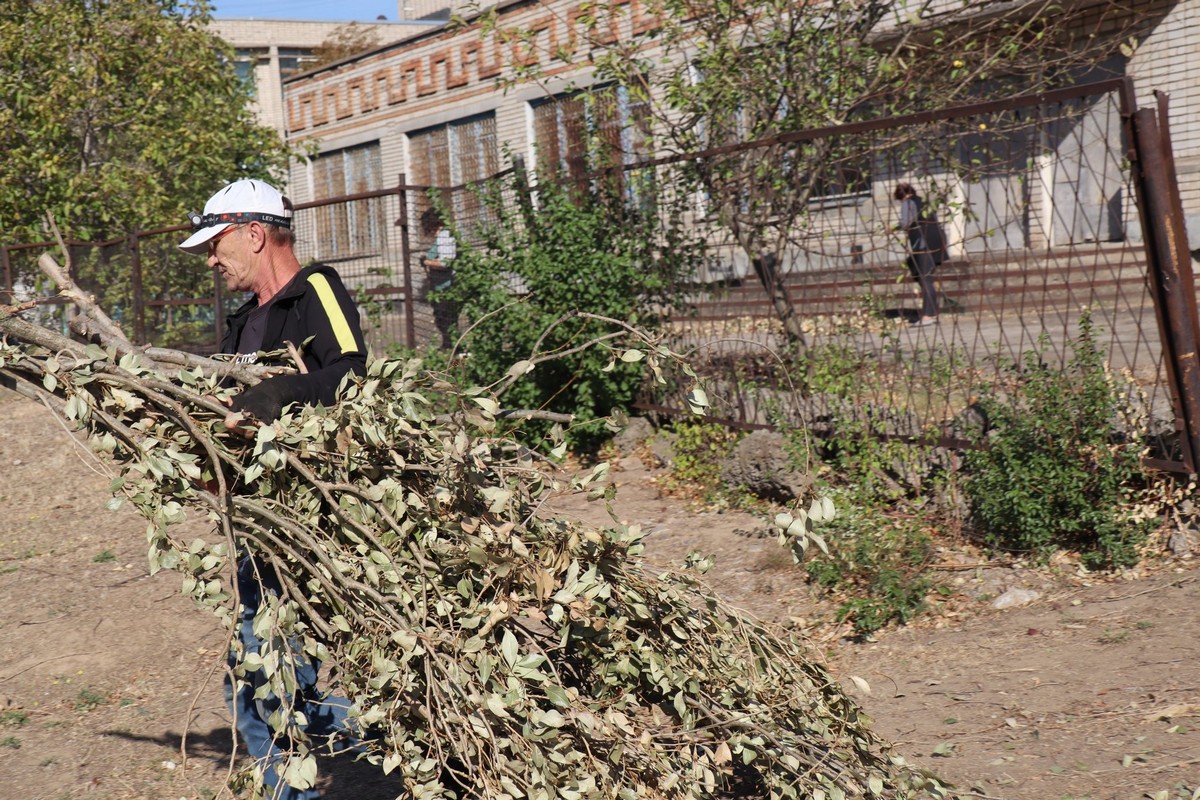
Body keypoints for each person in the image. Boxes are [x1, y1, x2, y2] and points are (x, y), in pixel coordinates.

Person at [179, 178, 369, 800]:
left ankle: (397, 729)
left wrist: (279, 392)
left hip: (309, 519)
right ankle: (392, 730)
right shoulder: (239, 328)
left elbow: (351, 373)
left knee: (269, 679)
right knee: (257, 681)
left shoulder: (314, 291)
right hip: (257, 524)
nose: (211, 258)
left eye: (217, 244)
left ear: (254, 234)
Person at [893, 182, 944, 327]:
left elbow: (905, 222)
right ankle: (932, 313)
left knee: (924, 279)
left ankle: (928, 316)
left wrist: (893, 228)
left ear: (900, 195)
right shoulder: (924, 202)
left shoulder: (907, 202)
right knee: (927, 278)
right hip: (937, 244)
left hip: (923, 245)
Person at [419, 207, 458, 349]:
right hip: (442, 286)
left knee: (447, 320)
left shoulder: (445, 236)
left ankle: (454, 350)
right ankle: (449, 347)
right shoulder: (442, 236)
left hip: (447, 285)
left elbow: (445, 263)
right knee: (443, 319)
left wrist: (427, 262)